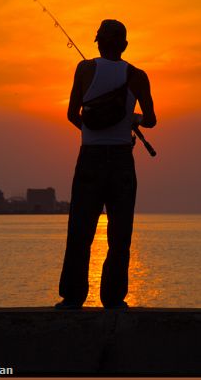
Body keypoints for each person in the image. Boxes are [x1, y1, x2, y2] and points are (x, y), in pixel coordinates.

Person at [55, 20, 156, 309]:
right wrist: (130, 121)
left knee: (80, 230)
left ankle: (72, 298)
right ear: (124, 45)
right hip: (123, 160)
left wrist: (92, 133)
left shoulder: (85, 69)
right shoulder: (137, 75)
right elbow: (150, 119)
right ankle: (113, 300)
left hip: (90, 158)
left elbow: (72, 114)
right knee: (120, 233)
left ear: (98, 42)